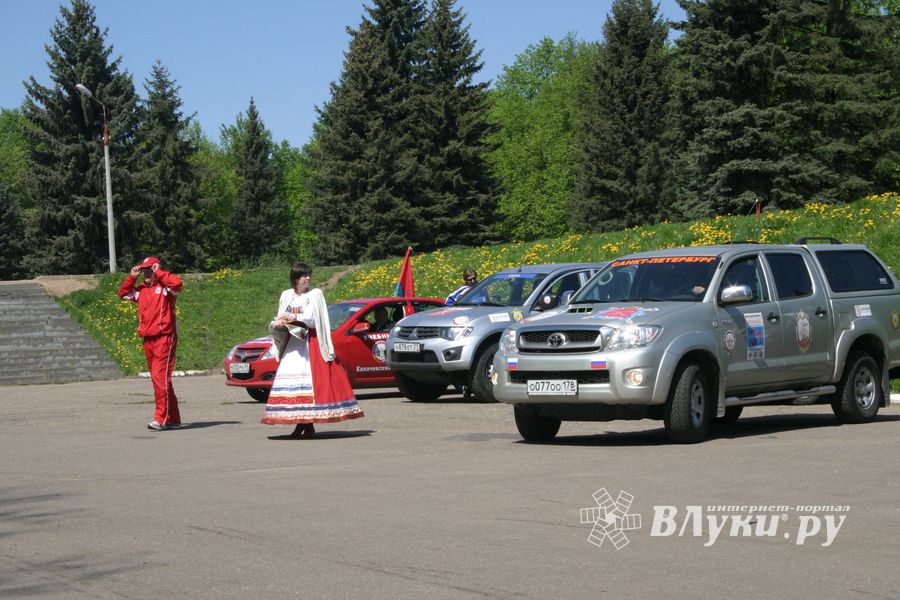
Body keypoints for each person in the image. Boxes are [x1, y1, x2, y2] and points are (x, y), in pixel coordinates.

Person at [261, 262, 364, 438]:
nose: (308, 278)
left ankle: (307, 425)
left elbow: (314, 320)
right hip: (294, 344)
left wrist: (293, 316)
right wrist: (279, 322)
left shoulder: (315, 295)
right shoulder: (287, 295)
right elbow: (281, 315)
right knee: (294, 383)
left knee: (311, 383)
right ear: (296, 279)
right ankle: (303, 424)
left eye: (309, 275)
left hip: (311, 343)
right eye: (304, 275)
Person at [118, 256, 183, 431]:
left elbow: (177, 284)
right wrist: (131, 277)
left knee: (159, 377)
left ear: (155, 268)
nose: (146, 273)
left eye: (149, 269)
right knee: (162, 380)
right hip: (148, 338)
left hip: (165, 337)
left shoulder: (166, 288)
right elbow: (123, 294)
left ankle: (161, 418)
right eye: (144, 270)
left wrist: (159, 272)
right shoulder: (140, 290)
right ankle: (174, 419)